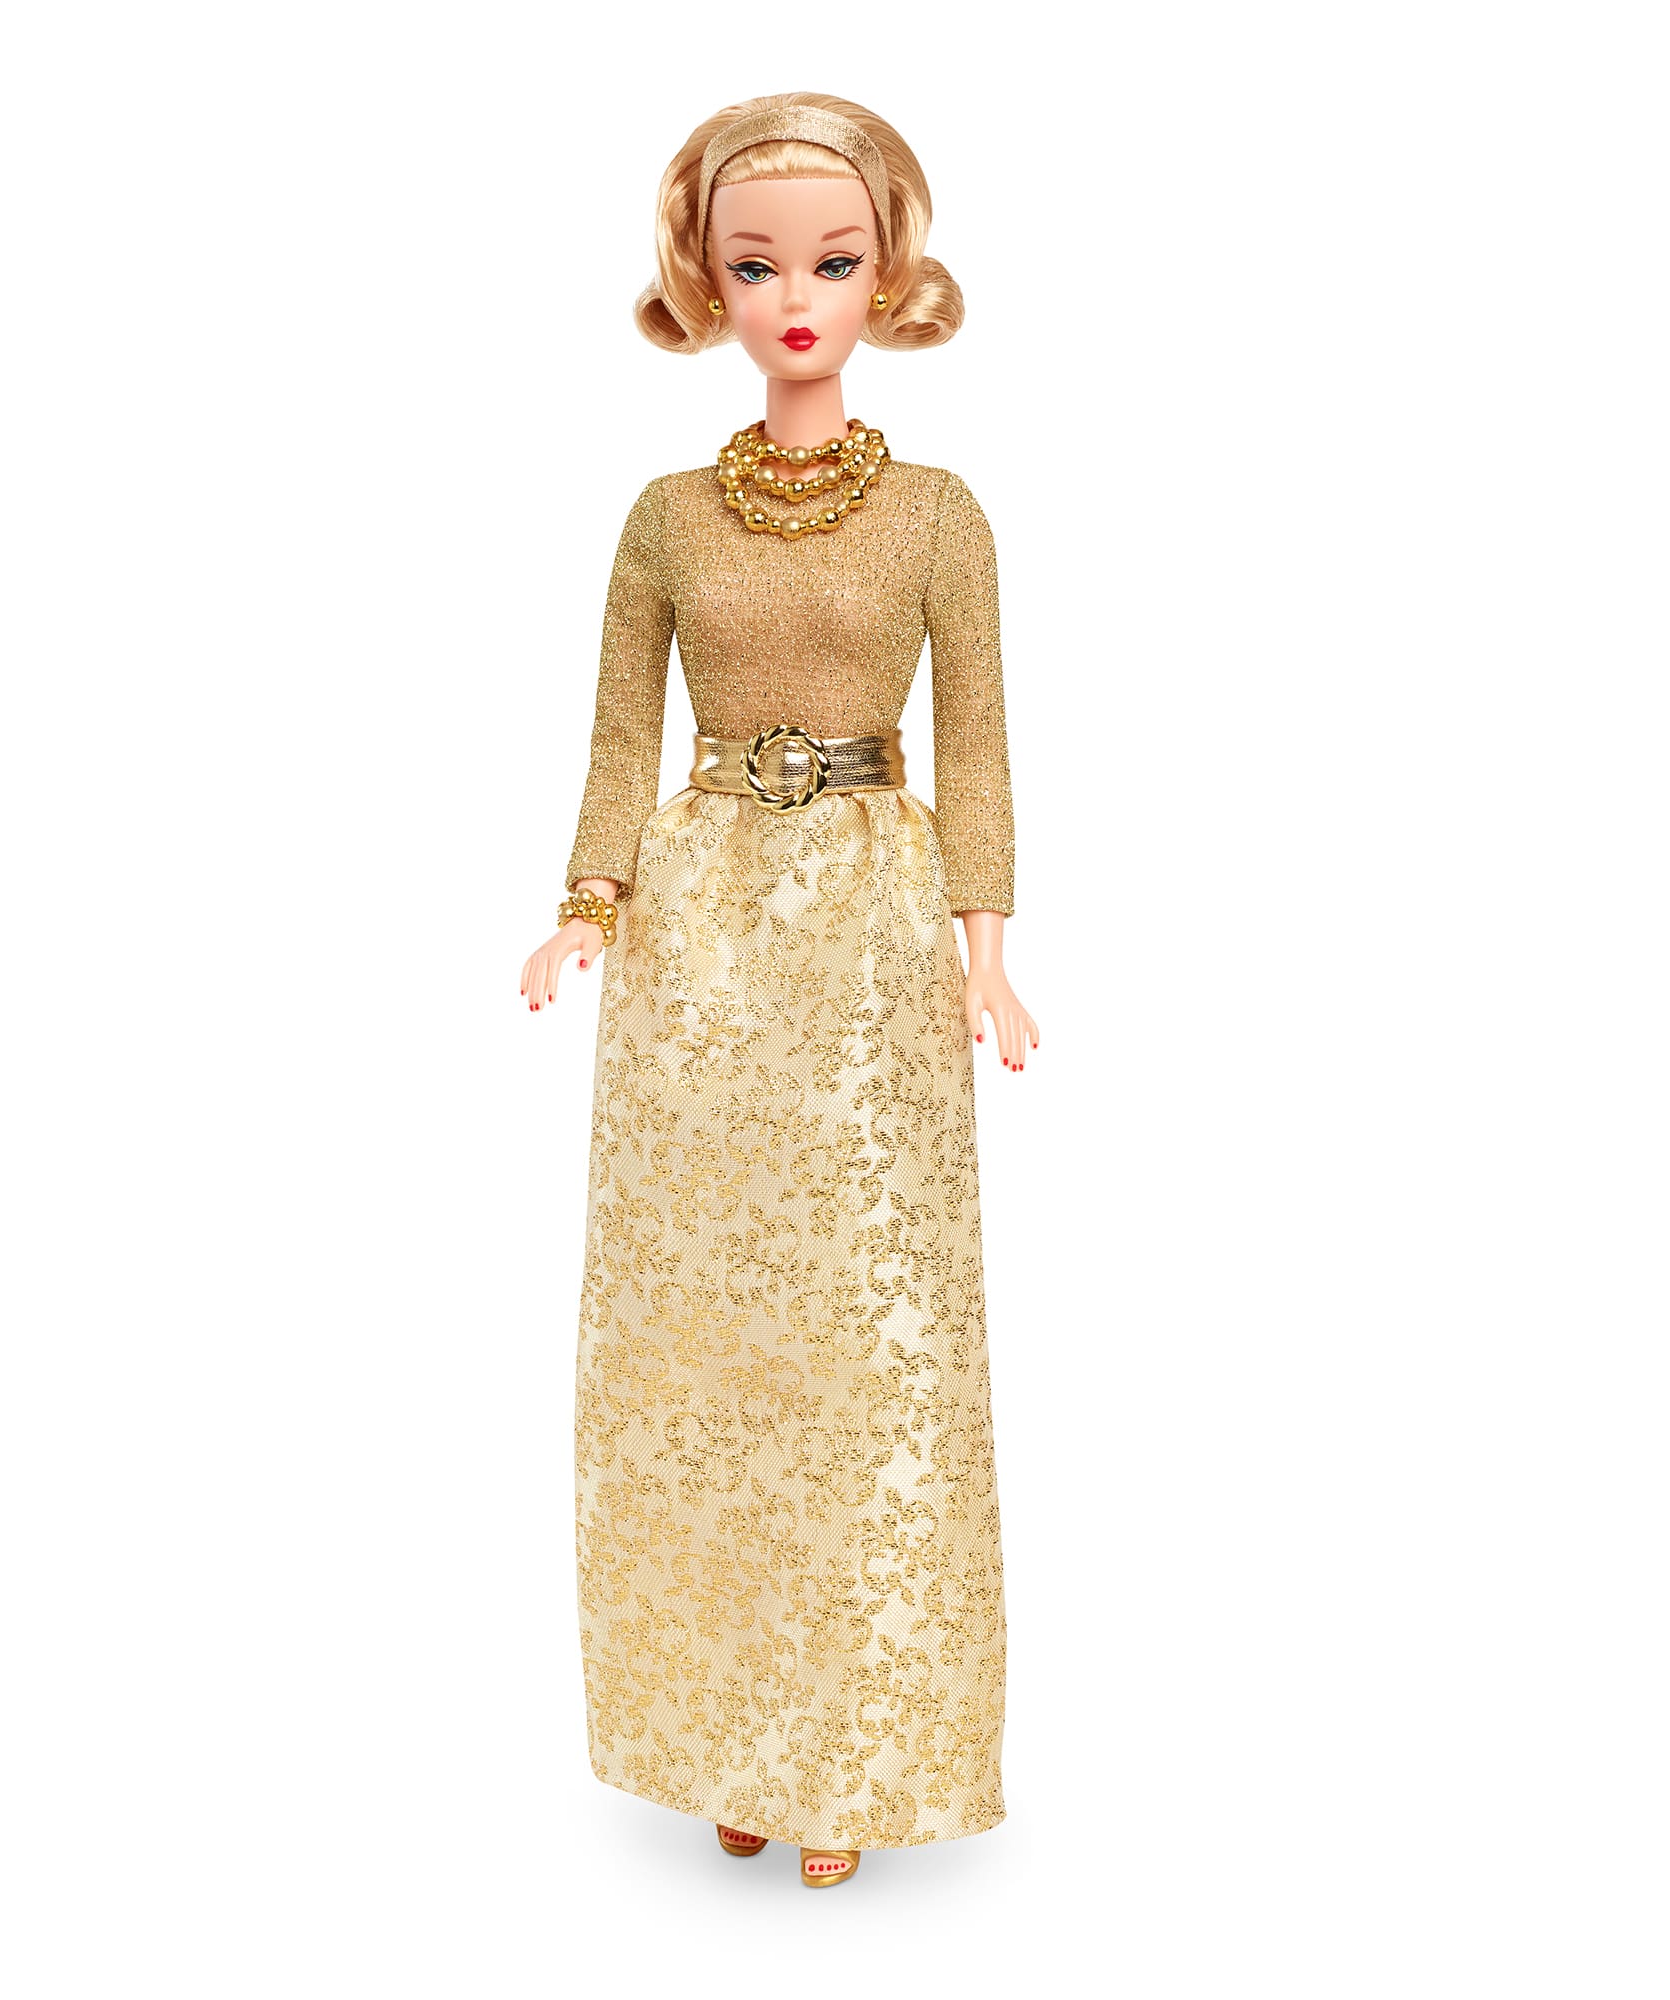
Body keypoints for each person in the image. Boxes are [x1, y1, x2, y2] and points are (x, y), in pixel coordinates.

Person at [519, 92, 1039, 1890]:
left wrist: (987, 949)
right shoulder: (667, 519)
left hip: (877, 942)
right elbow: (619, 737)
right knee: (700, 1351)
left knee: (872, 1345)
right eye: (757, 265)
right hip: (701, 945)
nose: (796, 298)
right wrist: (587, 907)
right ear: (708, 282)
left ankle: (859, 1759)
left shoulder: (940, 516)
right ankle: (729, 1740)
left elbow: (978, 743)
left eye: (831, 261)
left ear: (887, 272)